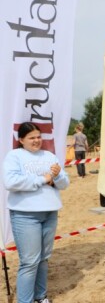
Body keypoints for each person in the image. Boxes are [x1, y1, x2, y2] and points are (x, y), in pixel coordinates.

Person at [2, 122, 70, 303]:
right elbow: (11, 182)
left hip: (50, 213)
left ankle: (41, 297)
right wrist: (43, 179)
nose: (36, 140)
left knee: (44, 259)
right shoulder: (14, 156)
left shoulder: (49, 156)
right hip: (25, 215)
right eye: (31, 137)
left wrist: (57, 177)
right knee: (30, 262)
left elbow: (64, 183)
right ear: (21, 139)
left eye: (39, 137)